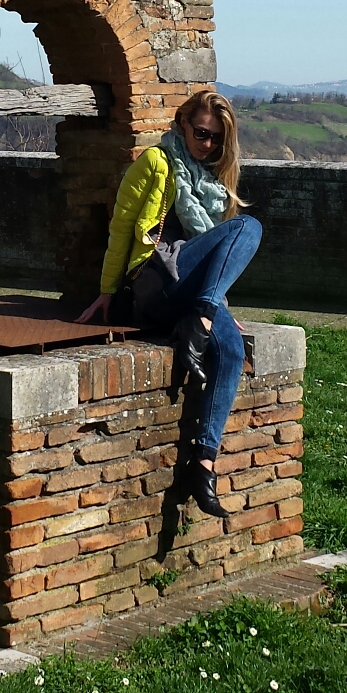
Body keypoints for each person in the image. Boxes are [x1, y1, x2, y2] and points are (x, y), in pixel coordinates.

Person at [78, 90, 261, 518]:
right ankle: (203, 317)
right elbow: (121, 227)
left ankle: (204, 463)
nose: (207, 144)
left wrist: (213, 303)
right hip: (157, 281)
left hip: (193, 294)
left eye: (216, 138)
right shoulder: (156, 162)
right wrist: (106, 291)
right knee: (247, 227)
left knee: (232, 351)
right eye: (201, 133)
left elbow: (216, 257)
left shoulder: (213, 181)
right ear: (182, 123)